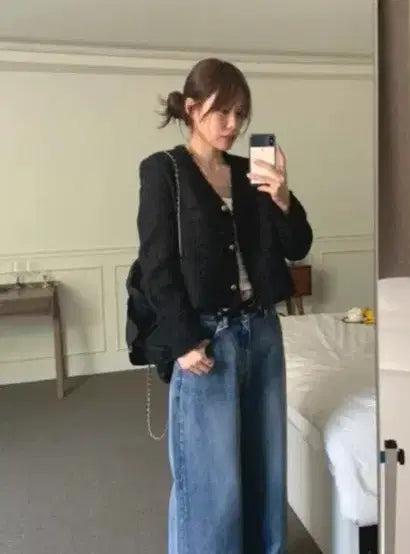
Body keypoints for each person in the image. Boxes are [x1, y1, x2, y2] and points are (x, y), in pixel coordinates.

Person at [136, 58, 313, 554]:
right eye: (222, 112)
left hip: (262, 332)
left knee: (265, 467)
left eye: (240, 114)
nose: (233, 124)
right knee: (210, 478)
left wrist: (282, 197)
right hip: (207, 341)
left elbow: (297, 245)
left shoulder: (249, 174)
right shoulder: (164, 171)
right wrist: (182, 341)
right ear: (192, 109)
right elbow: (156, 265)